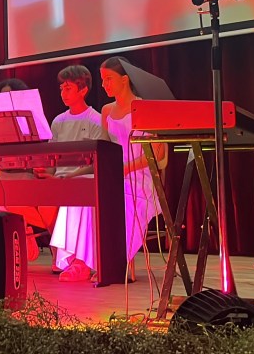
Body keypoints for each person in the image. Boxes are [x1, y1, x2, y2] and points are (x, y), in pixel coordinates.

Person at [49, 56, 170, 282]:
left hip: (138, 177)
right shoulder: (107, 110)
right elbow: (103, 151)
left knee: (116, 196)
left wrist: (124, 169)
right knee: (80, 189)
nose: (104, 85)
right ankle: (80, 261)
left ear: (124, 80)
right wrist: (74, 174)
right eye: (103, 80)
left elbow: (156, 154)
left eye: (109, 79)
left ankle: (112, 262)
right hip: (114, 174)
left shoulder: (144, 107)